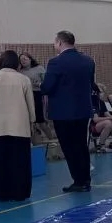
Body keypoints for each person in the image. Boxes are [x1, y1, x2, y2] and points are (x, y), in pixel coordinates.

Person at [41, 31, 96, 193]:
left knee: (69, 147)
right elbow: (91, 83)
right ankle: (85, 179)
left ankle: (78, 180)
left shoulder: (55, 62)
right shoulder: (88, 61)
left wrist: (40, 87)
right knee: (81, 145)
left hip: (63, 112)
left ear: (59, 42)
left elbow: (47, 87)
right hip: (83, 109)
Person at [0, 51, 36, 202]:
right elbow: (30, 103)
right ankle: (20, 193)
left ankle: (3, 193)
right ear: (16, 64)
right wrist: (32, 121)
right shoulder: (24, 79)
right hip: (19, 126)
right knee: (20, 161)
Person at [18, 52, 46, 124]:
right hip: (24, 95)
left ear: (30, 59)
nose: (23, 61)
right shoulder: (20, 71)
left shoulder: (39, 68)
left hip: (37, 94)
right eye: (21, 60)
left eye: (25, 59)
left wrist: (39, 84)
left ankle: (44, 130)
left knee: (39, 116)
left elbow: (46, 82)